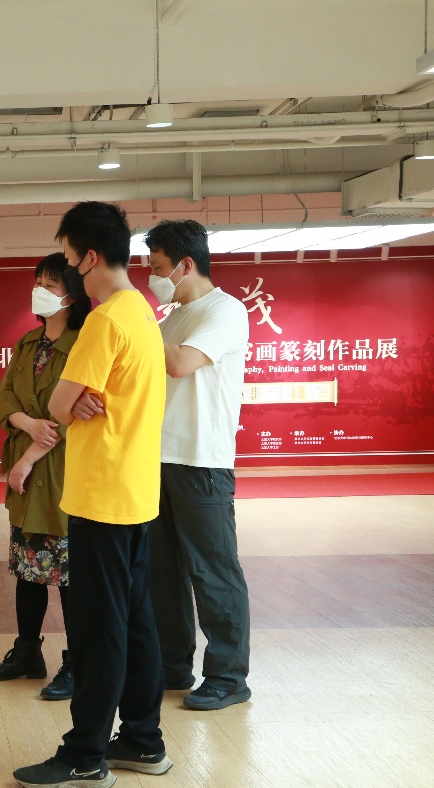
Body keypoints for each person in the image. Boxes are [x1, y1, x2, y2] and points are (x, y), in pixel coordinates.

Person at [13, 201, 170, 788]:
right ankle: (143, 739)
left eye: (69, 257)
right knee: (136, 620)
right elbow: (74, 401)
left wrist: (70, 401)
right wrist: (73, 400)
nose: (68, 270)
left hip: (101, 494)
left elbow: (59, 404)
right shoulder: (141, 311)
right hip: (134, 491)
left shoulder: (104, 321)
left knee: (98, 628)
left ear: (90, 257)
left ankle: (84, 756)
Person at [143, 220, 252, 710]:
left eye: (159, 267)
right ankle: (172, 664)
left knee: (213, 571)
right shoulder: (169, 320)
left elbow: (181, 363)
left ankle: (228, 676)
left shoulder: (225, 310)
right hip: (158, 460)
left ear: (186, 265)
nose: (153, 277)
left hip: (202, 461)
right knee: (162, 572)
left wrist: (133, 330)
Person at [0, 254, 91, 701]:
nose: (39, 291)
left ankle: (78, 664)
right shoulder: (29, 343)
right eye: (37, 282)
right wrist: (26, 424)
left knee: (69, 575)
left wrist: (27, 457)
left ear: (71, 293)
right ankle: (27, 653)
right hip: (26, 475)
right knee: (27, 568)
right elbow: (4, 395)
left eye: (49, 284)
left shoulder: (83, 344)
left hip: (62, 471)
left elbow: (77, 413)